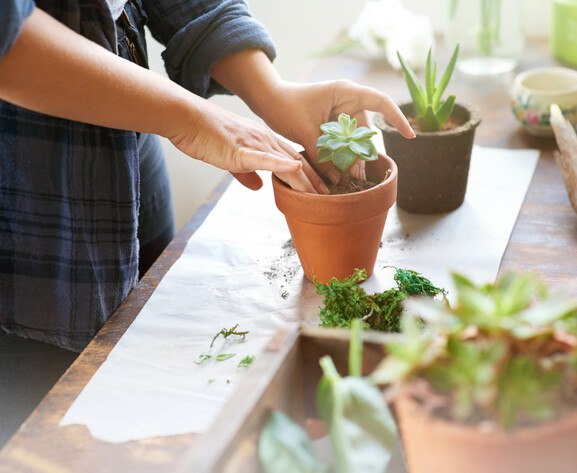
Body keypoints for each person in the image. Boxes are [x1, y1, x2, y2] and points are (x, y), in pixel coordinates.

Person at [0, 0, 414, 447]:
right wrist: (192, 119)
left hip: (128, 145)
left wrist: (270, 90)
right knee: (63, 444)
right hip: (29, 206)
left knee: (165, 404)